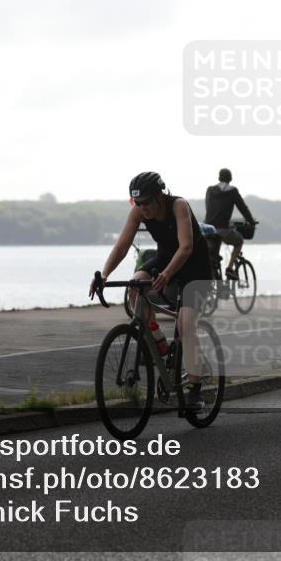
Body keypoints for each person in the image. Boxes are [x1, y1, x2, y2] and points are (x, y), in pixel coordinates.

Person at [89, 172, 211, 410]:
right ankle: (158, 341)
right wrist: (104, 275)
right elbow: (122, 245)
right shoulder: (138, 212)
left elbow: (186, 247)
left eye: (146, 202)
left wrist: (167, 274)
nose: (142, 208)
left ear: (159, 196)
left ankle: (196, 390)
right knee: (135, 287)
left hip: (195, 267)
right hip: (165, 258)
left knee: (186, 325)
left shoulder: (178, 206)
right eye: (137, 203)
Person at [204, 168, 256, 278]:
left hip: (208, 228)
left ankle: (214, 278)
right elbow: (243, 208)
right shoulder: (232, 191)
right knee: (239, 241)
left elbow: (208, 207)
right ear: (230, 179)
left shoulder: (210, 190)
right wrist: (251, 221)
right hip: (223, 229)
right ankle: (229, 268)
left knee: (212, 257)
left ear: (219, 178)